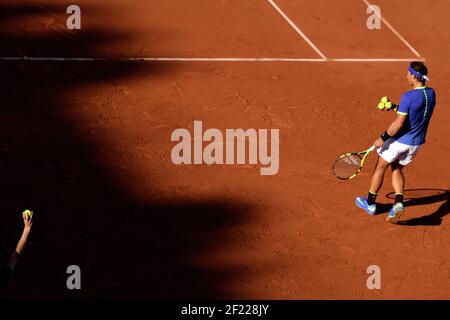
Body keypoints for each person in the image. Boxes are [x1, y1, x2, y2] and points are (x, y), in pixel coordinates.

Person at [355, 61, 436, 223]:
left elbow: (398, 124)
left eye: (408, 73)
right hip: (416, 144)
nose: (406, 75)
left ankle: (370, 203)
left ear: (413, 76)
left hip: (400, 141)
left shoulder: (408, 96)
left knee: (380, 166)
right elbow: (414, 113)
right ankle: (398, 202)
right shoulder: (431, 93)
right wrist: (394, 107)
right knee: (397, 168)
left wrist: (382, 138)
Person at [0, 211, 33, 288]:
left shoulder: (4, 273)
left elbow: (16, 255)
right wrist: (27, 228)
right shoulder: (3, 274)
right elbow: (16, 255)